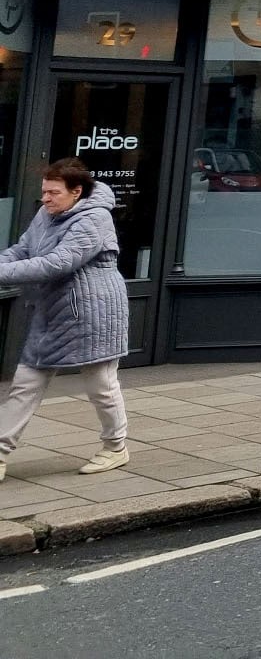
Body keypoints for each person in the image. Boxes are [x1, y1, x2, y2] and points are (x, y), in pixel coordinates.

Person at [0, 159, 131, 481]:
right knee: (26, 383)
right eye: (44, 191)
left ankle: (116, 448)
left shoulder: (96, 218)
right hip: (52, 312)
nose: (45, 198)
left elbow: (58, 263)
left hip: (94, 314)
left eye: (53, 192)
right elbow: (23, 250)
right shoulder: (47, 213)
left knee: (101, 385)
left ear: (77, 192)